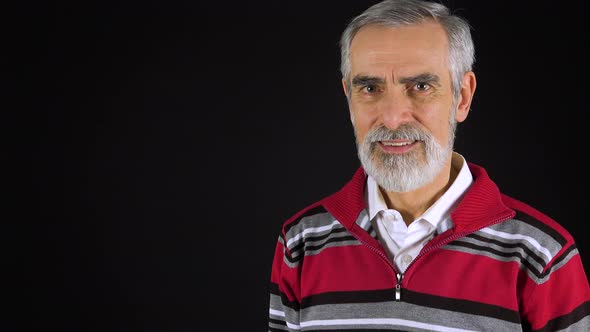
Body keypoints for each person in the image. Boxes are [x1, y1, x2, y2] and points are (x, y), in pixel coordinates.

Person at [267, 0, 590, 331]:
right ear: (349, 97)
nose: (392, 119)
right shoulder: (301, 243)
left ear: (462, 96)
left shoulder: (541, 256)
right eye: (370, 88)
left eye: (420, 86)